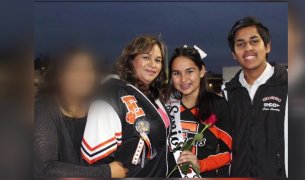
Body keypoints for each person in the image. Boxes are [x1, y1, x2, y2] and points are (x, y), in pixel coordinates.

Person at [81, 35, 170, 177]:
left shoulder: (153, 95)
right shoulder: (111, 94)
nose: (153, 64)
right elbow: (96, 159)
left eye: (158, 60)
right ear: (131, 59)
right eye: (146, 57)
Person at [34, 47, 127, 178]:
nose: (82, 76)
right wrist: (107, 171)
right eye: (73, 69)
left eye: (88, 70)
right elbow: (45, 168)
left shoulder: (98, 108)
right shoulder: (43, 107)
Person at [222, 16, 288, 177]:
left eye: (254, 41)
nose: (248, 48)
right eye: (241, 44)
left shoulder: (289, 84)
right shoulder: (227, 91)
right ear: (234, 54)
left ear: (267, 46)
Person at [166, 46, 232, 178]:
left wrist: (201, 164)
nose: (183, 79)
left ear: (201, 71)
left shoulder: (218, 106)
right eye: (177, 73)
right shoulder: (165, 107)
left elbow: (230, 153)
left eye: (189, 71)